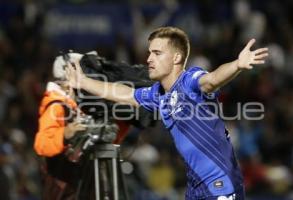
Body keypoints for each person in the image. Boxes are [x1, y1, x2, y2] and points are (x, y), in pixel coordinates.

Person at [66, 26, 269, 200]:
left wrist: (237, 65)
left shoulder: (190, 80)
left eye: (157, 53)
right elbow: (125, 93)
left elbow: (212, 79)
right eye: (149, 53)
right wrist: (83, 82)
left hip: (220, 184)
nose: (148, 59)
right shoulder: (158, 94)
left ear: (176, 58)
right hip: (196, 187)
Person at [34, 53, 90, 200]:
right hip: (62, 185)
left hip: (74, 182)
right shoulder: (56, 106)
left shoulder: (74, 105)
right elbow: (41, 145)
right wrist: (64, 133)